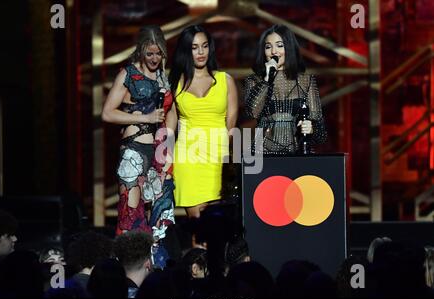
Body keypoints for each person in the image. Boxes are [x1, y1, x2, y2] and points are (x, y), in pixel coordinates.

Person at [102, 25, 176, 242]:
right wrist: (146, 118)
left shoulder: (164, 77)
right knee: (131, 217)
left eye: (158, 53)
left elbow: (171, 112)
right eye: (149, 53)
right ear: (140, 51)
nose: (154, 58)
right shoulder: (127, 74)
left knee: (160, 218)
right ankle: (126, 272)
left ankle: (155, 272)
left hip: (160, 154)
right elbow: (107, 113)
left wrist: (168, 147)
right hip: (134, 151)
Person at [168, 24, 238, 222]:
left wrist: (229, 160)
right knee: (198, 226)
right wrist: (163, 161)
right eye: (194, 47)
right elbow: (169, 127)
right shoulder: (175, 83)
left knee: (220, 224)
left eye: (204, 46)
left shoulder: (226, 80)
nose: (200, 52)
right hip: (188, 159)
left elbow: (231, 124)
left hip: (217, 158)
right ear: (186, 50)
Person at [244, 24, 327, 155]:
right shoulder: (254, 80)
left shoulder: (306, 81)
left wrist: (311, 128)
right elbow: (252, 112)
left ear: (289, 48)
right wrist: (266, 79)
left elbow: (321, 134)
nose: (274, 52)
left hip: (297, 155)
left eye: (279, 45)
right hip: (263, 155)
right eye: (268, 47)